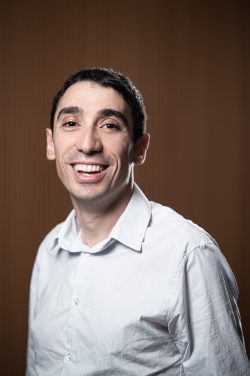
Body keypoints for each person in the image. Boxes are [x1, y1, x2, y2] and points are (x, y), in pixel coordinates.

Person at [26, 67, 249, 376]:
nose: (88, 143)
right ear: (51, 143)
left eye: (109, 125)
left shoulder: (187, 253)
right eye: (71, 123)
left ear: (139, 148)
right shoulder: (49, 251)